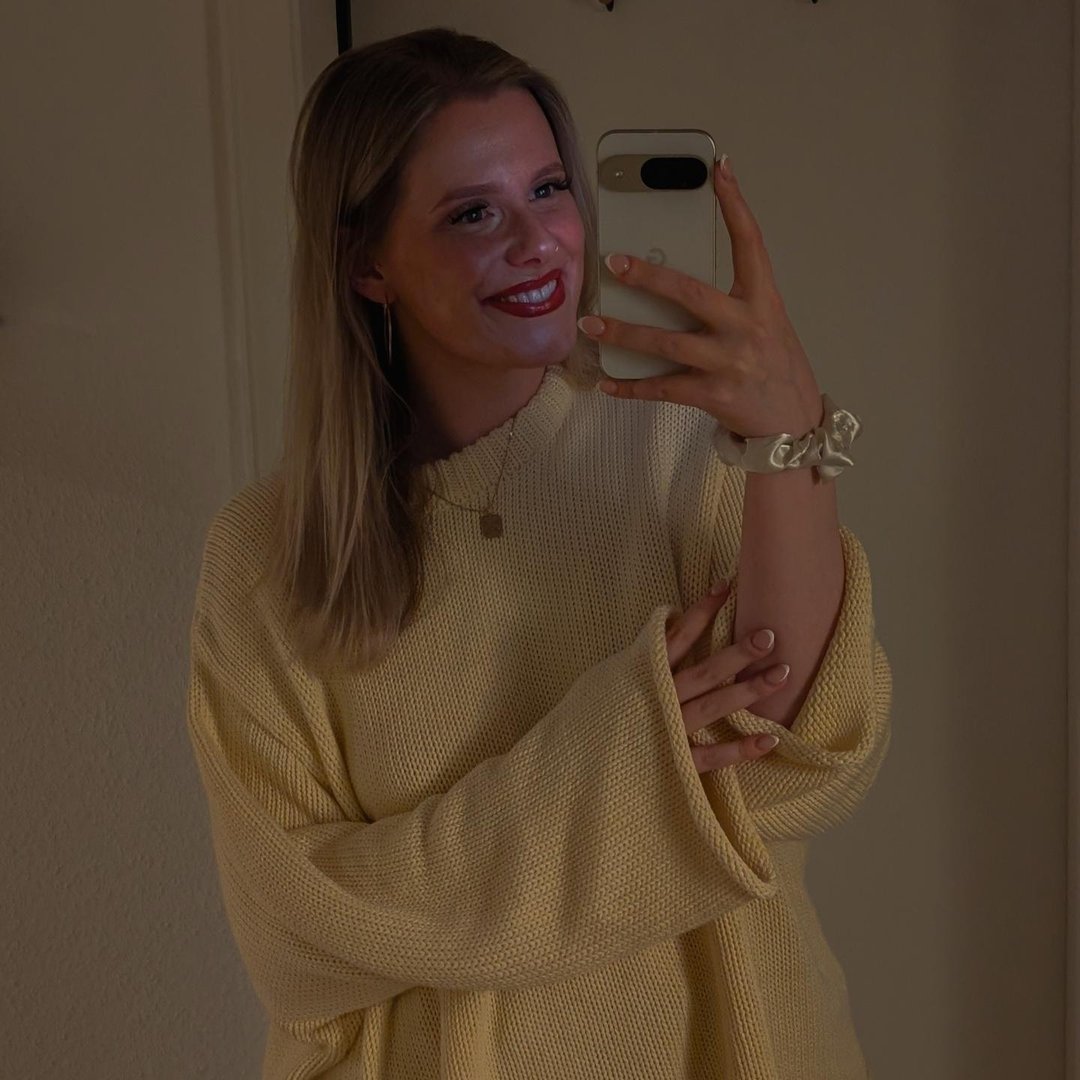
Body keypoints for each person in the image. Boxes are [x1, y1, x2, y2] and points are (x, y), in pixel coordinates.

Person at [185, 25, 892, 1080]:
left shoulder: (695, 449)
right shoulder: (270, 553)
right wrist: (628, 750)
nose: (539, 242)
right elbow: (297, 932)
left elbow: (801, 760)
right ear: (367, 264)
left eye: (550, 189)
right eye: (474, 213)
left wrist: (787, 437)